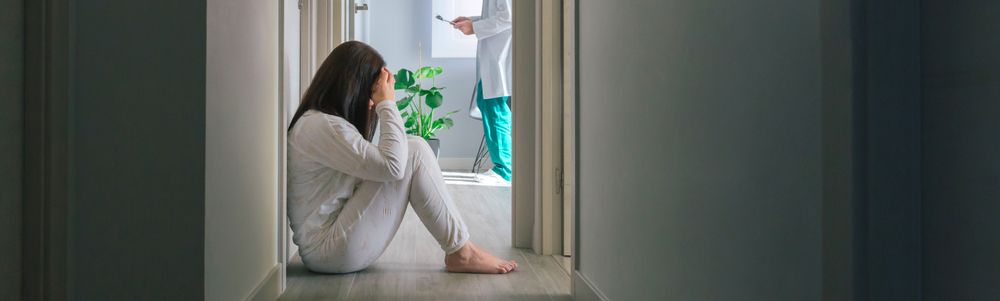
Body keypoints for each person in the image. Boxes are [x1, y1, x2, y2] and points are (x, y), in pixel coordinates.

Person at [287, 41, 517, 274]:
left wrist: (384, 102)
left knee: (412, 147)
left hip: (330, 246)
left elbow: (382, 165)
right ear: (354, 87)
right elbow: (393, 166)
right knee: (414, 150)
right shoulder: (323, 126)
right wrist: (386, 103)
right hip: (327, 250)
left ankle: (462, 249)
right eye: (371, 93)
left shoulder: (322, 123)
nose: (370, 103)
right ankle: (462, 252)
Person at [452, 0, 513, 182]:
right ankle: (504, 166)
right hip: (497, 52)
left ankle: (505, 169)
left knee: (494, 106)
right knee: (489, 103)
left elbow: (508, 17)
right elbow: (499, 16)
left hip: (501, 53)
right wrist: (471, 22)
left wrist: (475, 27)